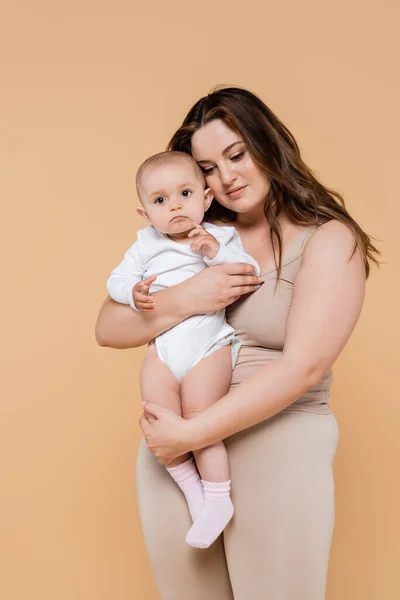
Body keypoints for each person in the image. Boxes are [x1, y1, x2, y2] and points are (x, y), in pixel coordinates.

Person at [95, 86, 379, 600]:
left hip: (275, 445)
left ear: (269, 145)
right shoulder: (192, 231)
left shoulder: (329, 238)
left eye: (237, 154)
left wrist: (190, 434)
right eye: (206, 167)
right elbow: (108, 328)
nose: (225, 177)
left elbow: (304, 368)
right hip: (178, 457)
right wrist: (188, 295)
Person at [106, 150, 259, 548]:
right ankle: (195, 493)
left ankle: (218, 498)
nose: (174, 205)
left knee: (198, 418)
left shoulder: (220, 236)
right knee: (158, 420)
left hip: (208, 346)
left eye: (185, 193)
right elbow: (116, 280)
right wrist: (132, 293)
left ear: (206, 199)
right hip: (163, 348)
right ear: (145, 214)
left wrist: (214, 252)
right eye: (160, 200)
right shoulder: (144, 245)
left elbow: (250, 270)